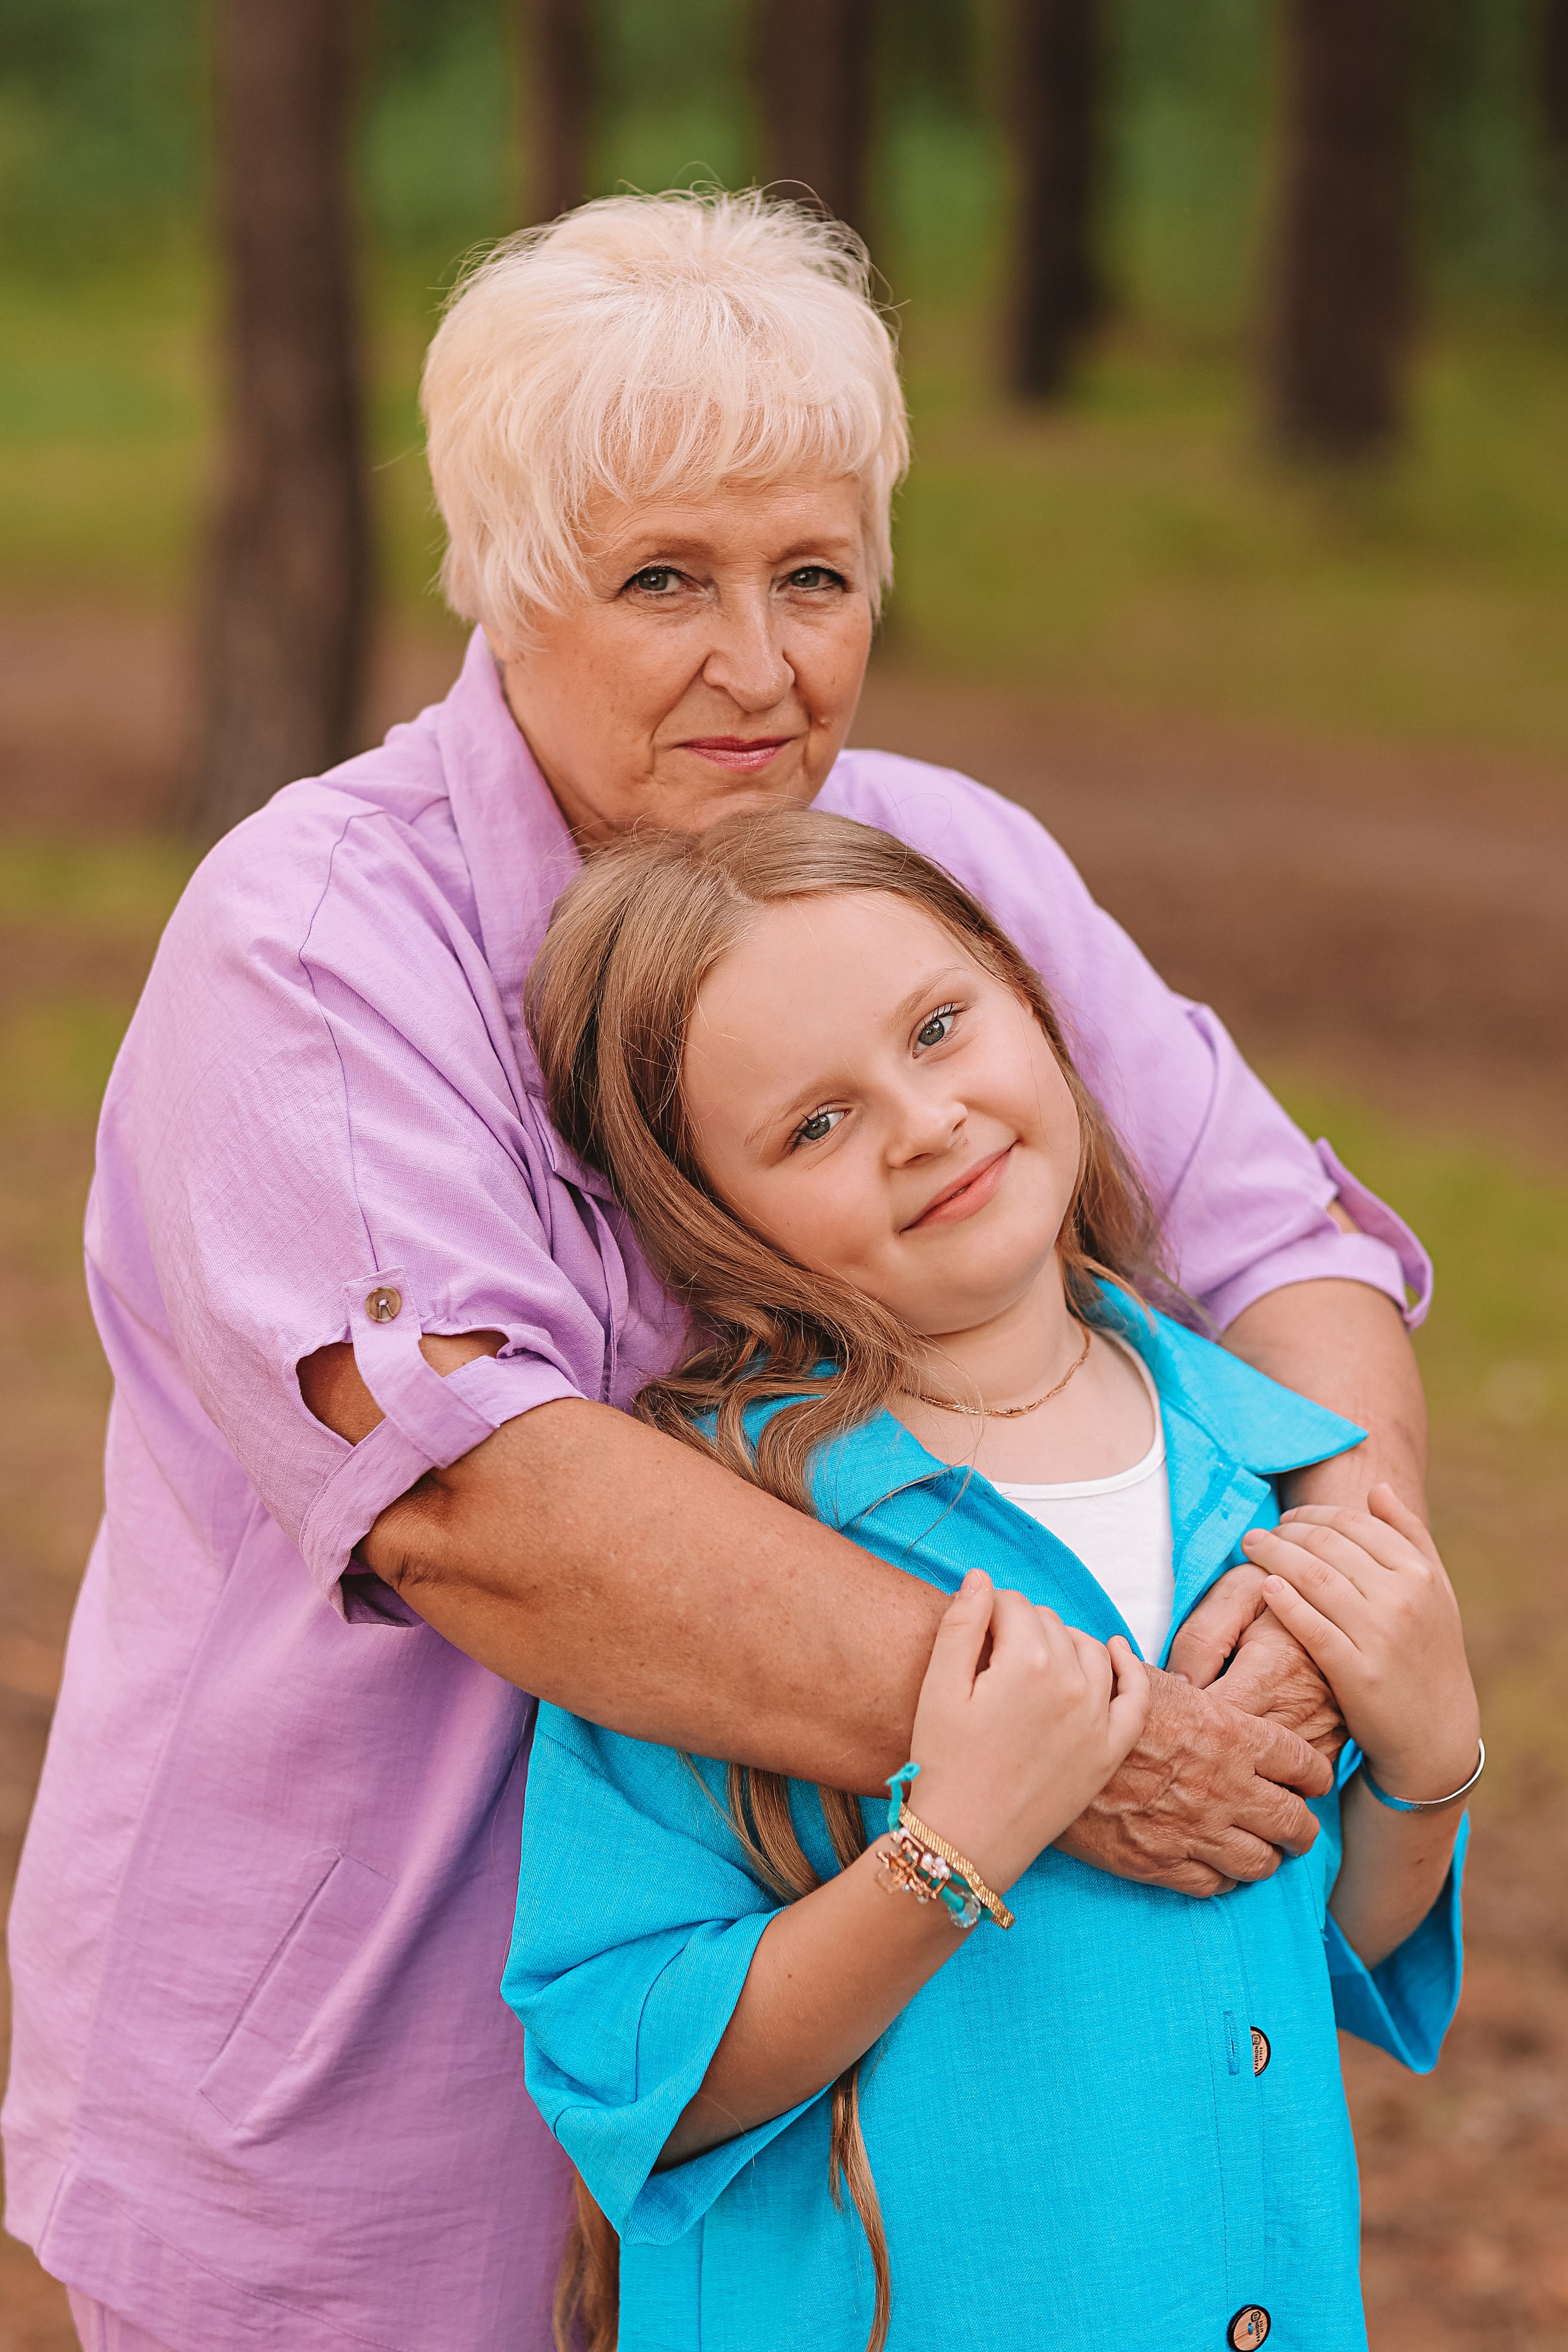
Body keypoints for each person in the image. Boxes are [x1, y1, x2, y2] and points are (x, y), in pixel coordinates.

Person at [3, 194, 1431, 2352]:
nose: (759, 666)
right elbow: (488, 1507)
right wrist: (1093, 1743)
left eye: (815, 577)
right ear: (504, 582)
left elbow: (1284, 1240)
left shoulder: (941, 867)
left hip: (890, 2134)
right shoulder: (314, 942)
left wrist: (1347, 1597)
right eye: (663, 578)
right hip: (389, 2074)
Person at [506, 808, 1477, 2352]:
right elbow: (638, 2084)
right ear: (711, 1213)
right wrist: (943, 1855)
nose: (921, 1121)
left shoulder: (1252, 1465)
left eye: (940, 1028)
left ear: (1032, 1001)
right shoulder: (728, 1546)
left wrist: (1422, 1765)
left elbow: (1316, 1952)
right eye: (813, 1125)